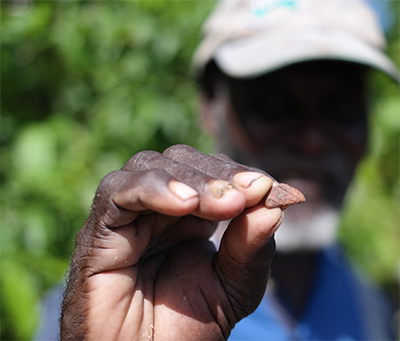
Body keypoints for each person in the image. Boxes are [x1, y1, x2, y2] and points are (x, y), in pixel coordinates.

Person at [39, 0, 400, 340]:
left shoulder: (373, 311)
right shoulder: (125, 298)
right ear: (211, 105)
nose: (312, 140)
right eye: (274, 107)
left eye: (341, 111)